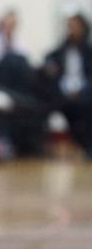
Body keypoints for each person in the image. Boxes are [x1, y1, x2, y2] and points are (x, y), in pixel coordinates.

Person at [39, 13, 92, 156]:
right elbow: (48, 57)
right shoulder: (62, 50)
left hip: (85, 94)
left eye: (74, 27)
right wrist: (49, 65)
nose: (71, 30)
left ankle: (87, 146)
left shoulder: (88, 52)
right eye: (69, 27)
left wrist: (81, 92)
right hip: (62, 94)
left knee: (85, 109)